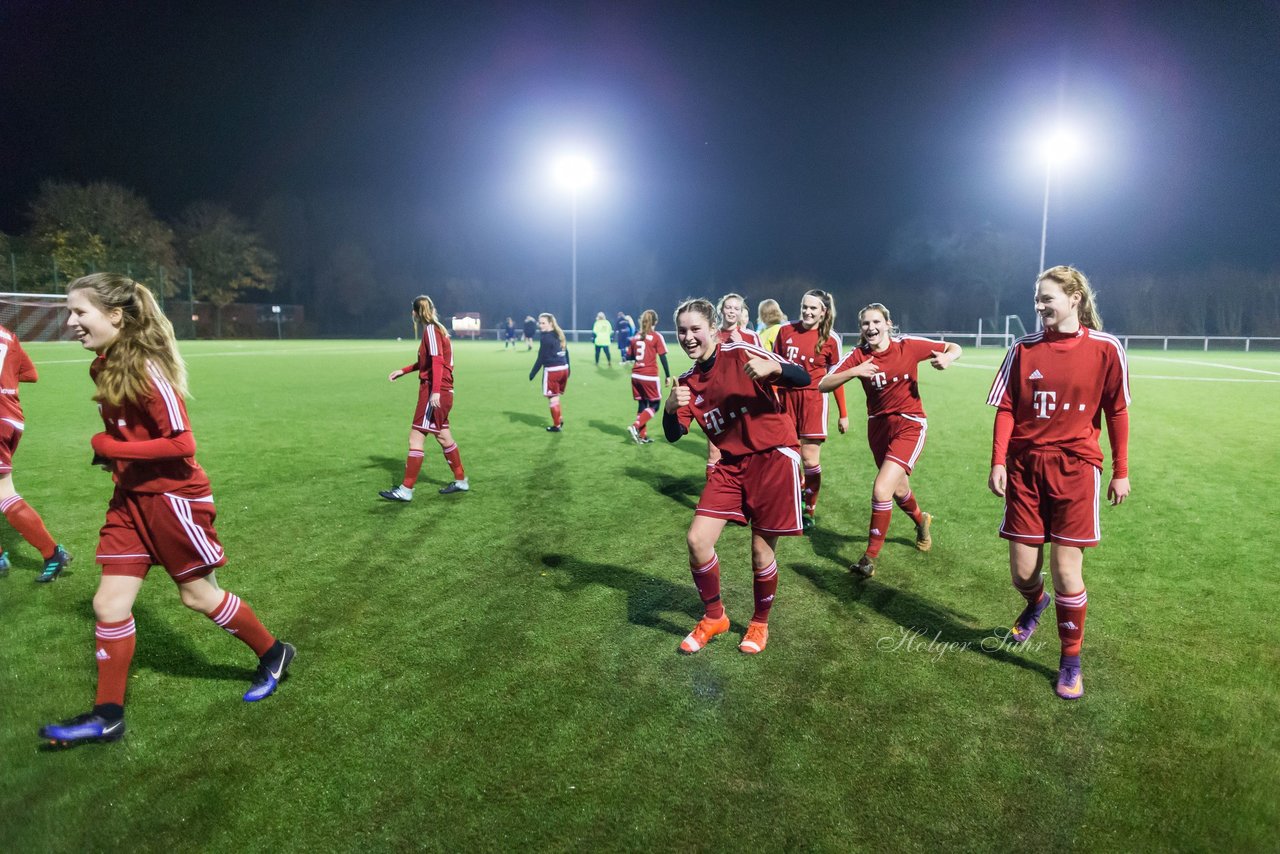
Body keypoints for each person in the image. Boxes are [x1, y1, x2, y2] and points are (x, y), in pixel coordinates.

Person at [41, 273, 295, 748]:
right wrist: (115, 453)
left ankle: (275, 652)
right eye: (70, 312)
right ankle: (107, 717)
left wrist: (109, 446)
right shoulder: (104, 365)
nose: (71, 321)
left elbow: (182, 442)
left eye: (80, 312)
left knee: (198, 597)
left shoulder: (145, 367)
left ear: (115, 315)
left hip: (172, 501)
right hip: (130, 500)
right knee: (107, 605)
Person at [987, 265, 1130, 701]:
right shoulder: (1023, 348)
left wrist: (1121, 470)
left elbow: (1117, 411)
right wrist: (998, 461)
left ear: (1075, 299)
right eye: (1037, 298)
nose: (1039, 306)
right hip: (1026, 469)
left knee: (1068, 572)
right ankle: (1035, 603)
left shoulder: (1106, 348)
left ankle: (1070, 662)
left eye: (1047, 298)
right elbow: (1007, 408)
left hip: (1076, 470)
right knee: (1022, 573)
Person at [664, 298, 811, 656]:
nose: (688, 337)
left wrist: (772, 370)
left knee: (761, 553)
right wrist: (670, 408)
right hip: (730, 466)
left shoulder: (741, 351)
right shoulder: (686, 383)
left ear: (713, 329)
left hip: (773, 458)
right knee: (698, 541)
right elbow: (672, 433)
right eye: (682, 330)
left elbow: (803, 378)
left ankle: (759, 623)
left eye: (695, 329)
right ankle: (715, 617)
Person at [819, 303, 962, 577]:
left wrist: (948, 359)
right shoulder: (859, 355)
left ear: (887, 323)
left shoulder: (907, 346)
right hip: (878, 428)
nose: (871, 328)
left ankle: (869, 559)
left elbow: (953, 347)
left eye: (876, 322)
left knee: (881, 489)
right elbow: (824, 383)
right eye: (865, 324)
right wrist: (854, 371)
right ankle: (922, 521)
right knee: (897, 491)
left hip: (909, 425)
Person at [772, 289, 848, 530]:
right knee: (787, 456)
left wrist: (843, 413)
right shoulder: (785, 331)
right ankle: (791, 499)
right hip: (786, 399)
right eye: (805, 306)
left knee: (809, 458)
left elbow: (835, 379)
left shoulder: (831, 339)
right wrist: (772, 398)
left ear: (823, 311)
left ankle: (809, 508)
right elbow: (773, 368)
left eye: (813, 308)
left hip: (814, 400)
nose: (807, 311)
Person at [0, 323, 71, 583]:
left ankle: (53, 553)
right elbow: (31, 374)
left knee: (4, 492)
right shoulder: (7, 334)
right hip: (11, 418)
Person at [380, 295, 468, 502]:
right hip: (444, 391)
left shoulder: (430, 330)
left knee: (415, 438)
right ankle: (461, 480)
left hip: (434, 392)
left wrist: (435, 391)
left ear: (414, 313)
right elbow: (428, 362)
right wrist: (403, 370)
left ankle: (406, 490)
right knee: (444, 436)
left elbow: (437, 362)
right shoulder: (438, 329)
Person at [704, 293, 764, 477]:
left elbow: (762, 363)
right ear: (721, 309)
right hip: (716, 400)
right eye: (728, 307)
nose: (732, 311)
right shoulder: (711, 335)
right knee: (714, 453)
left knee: (747, 449)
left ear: (741, 312)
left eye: (736, 308)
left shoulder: (751, 336)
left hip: (743, 400)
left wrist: (741, 346)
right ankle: (712, 498)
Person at [625, 309, 671, 444]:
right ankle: (635, 426)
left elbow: (630, 356)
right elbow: (663, 357)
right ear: (655, 321)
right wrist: (668, 375)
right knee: (655, 405)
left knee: (642, 405)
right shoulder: (656, 336)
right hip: (649, 376)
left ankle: (642, 436)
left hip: (636, 376)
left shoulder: (635, 337)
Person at [530, 312, 570, 432]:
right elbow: (566, 352)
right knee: (556, 397)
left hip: (553, 370)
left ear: (550, 323)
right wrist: (569, 369)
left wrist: (533, 373)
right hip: (564, 368)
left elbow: (541, 357)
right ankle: (560, 418)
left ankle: (556, 425)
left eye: (543, 323)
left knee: (552, 398)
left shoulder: (546, 337)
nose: (540, 325)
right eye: (539, 322)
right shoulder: (559, 334)